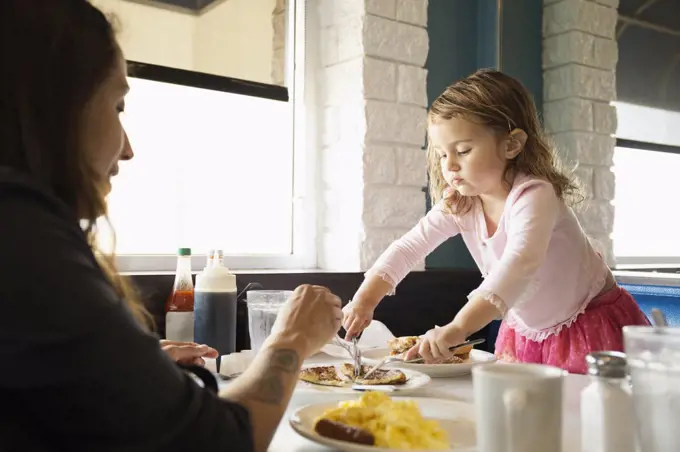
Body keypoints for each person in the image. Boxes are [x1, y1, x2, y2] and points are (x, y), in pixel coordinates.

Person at [0, 1, 342, 451]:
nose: (128, 149)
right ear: (55, 105)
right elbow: (215, 441)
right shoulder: (25, 239)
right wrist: (292, 339)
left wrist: (125, 363)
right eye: (118, 106)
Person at [342, 69, 650, 374]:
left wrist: (458, 327)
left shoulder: (534, 195)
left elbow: (519, 265)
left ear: (512, 145)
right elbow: (409, 248)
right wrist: (364, 299)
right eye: (440, 154)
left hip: (588, 325)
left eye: (463, 150)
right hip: (526, 332)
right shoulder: (461, 204)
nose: (449, 165)